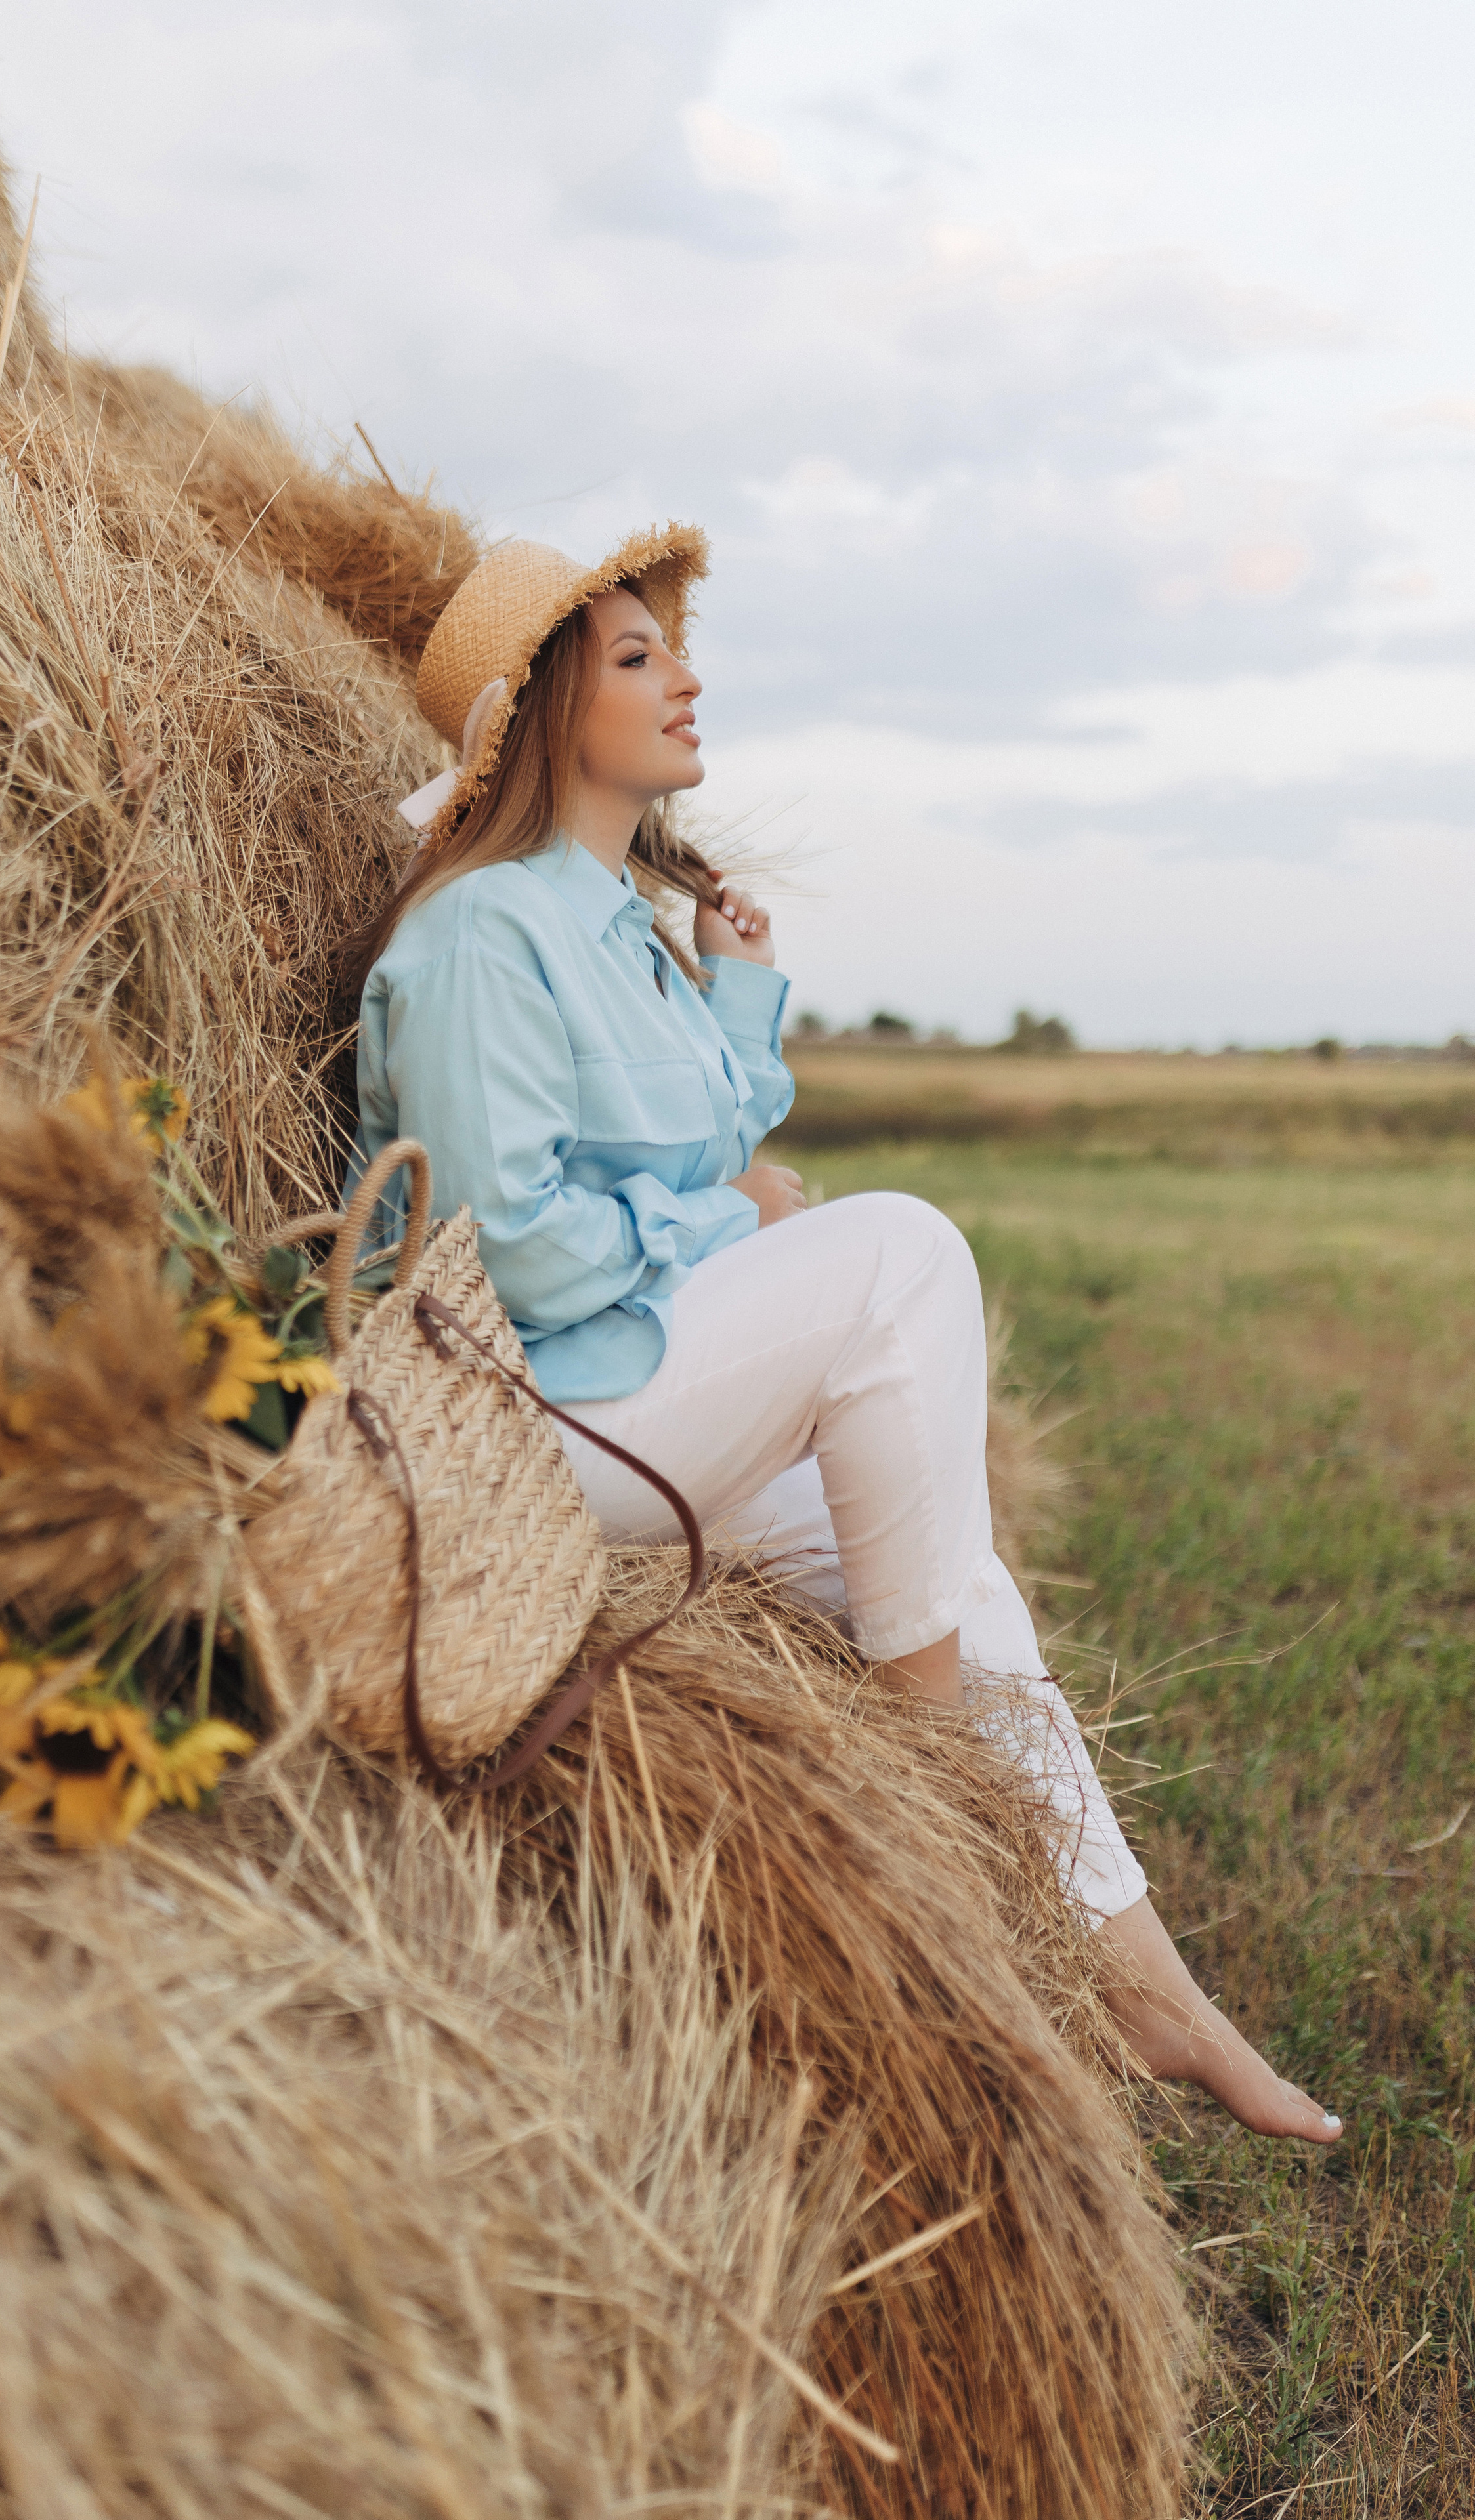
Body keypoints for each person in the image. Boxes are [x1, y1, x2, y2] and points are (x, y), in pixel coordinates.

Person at [348, 526, 1341, 2147]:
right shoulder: (479, 935)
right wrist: (736, 1217)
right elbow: (505, 1246)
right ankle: (935, 1794)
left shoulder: (613, 930)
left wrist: (737, 990)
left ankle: (1147, 1983)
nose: (686, 676)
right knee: (897, 1252)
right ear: (539, 712)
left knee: (958, 1569)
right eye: (634, 658)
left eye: (670, 651)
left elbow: (707, 1147)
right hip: (527, 1414)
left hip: (638, 1379)